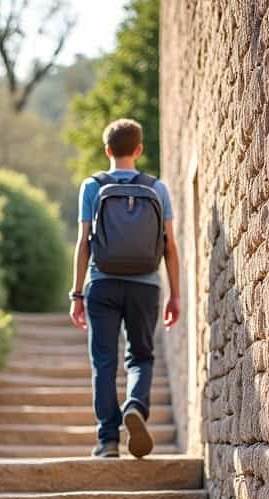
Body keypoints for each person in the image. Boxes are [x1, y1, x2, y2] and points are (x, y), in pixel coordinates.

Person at [68, 118, 181, 459]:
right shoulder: (157, 188)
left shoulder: (92, 186)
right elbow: (170, 246)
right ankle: (135, 405)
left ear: (107, 150)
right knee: (141, 356)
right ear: (139, 149)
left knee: (103, 361)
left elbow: (83, 244)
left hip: (102, 283)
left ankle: (108, 442)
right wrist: (175, 294)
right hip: (145, 285)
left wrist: (77, 295)